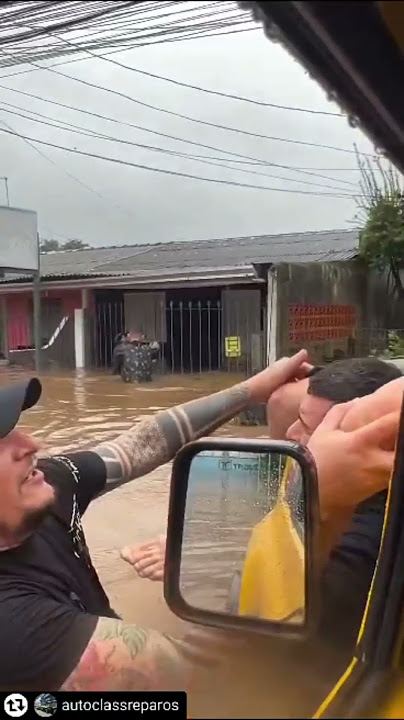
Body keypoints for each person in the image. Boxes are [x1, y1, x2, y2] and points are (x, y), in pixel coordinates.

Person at [0, 349, 314, 692]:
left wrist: (253, 389)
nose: (32, 444)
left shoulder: (43, 484)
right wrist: (217, 567)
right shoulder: (15, 627)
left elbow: (136, 447)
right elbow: (209, 688)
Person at [122, 356, 401, 640]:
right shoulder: (314, 480)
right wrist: (203, 548)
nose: (291, 434)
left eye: (306, 427)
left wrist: (200, 565)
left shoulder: (369, 538)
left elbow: (264, 635)